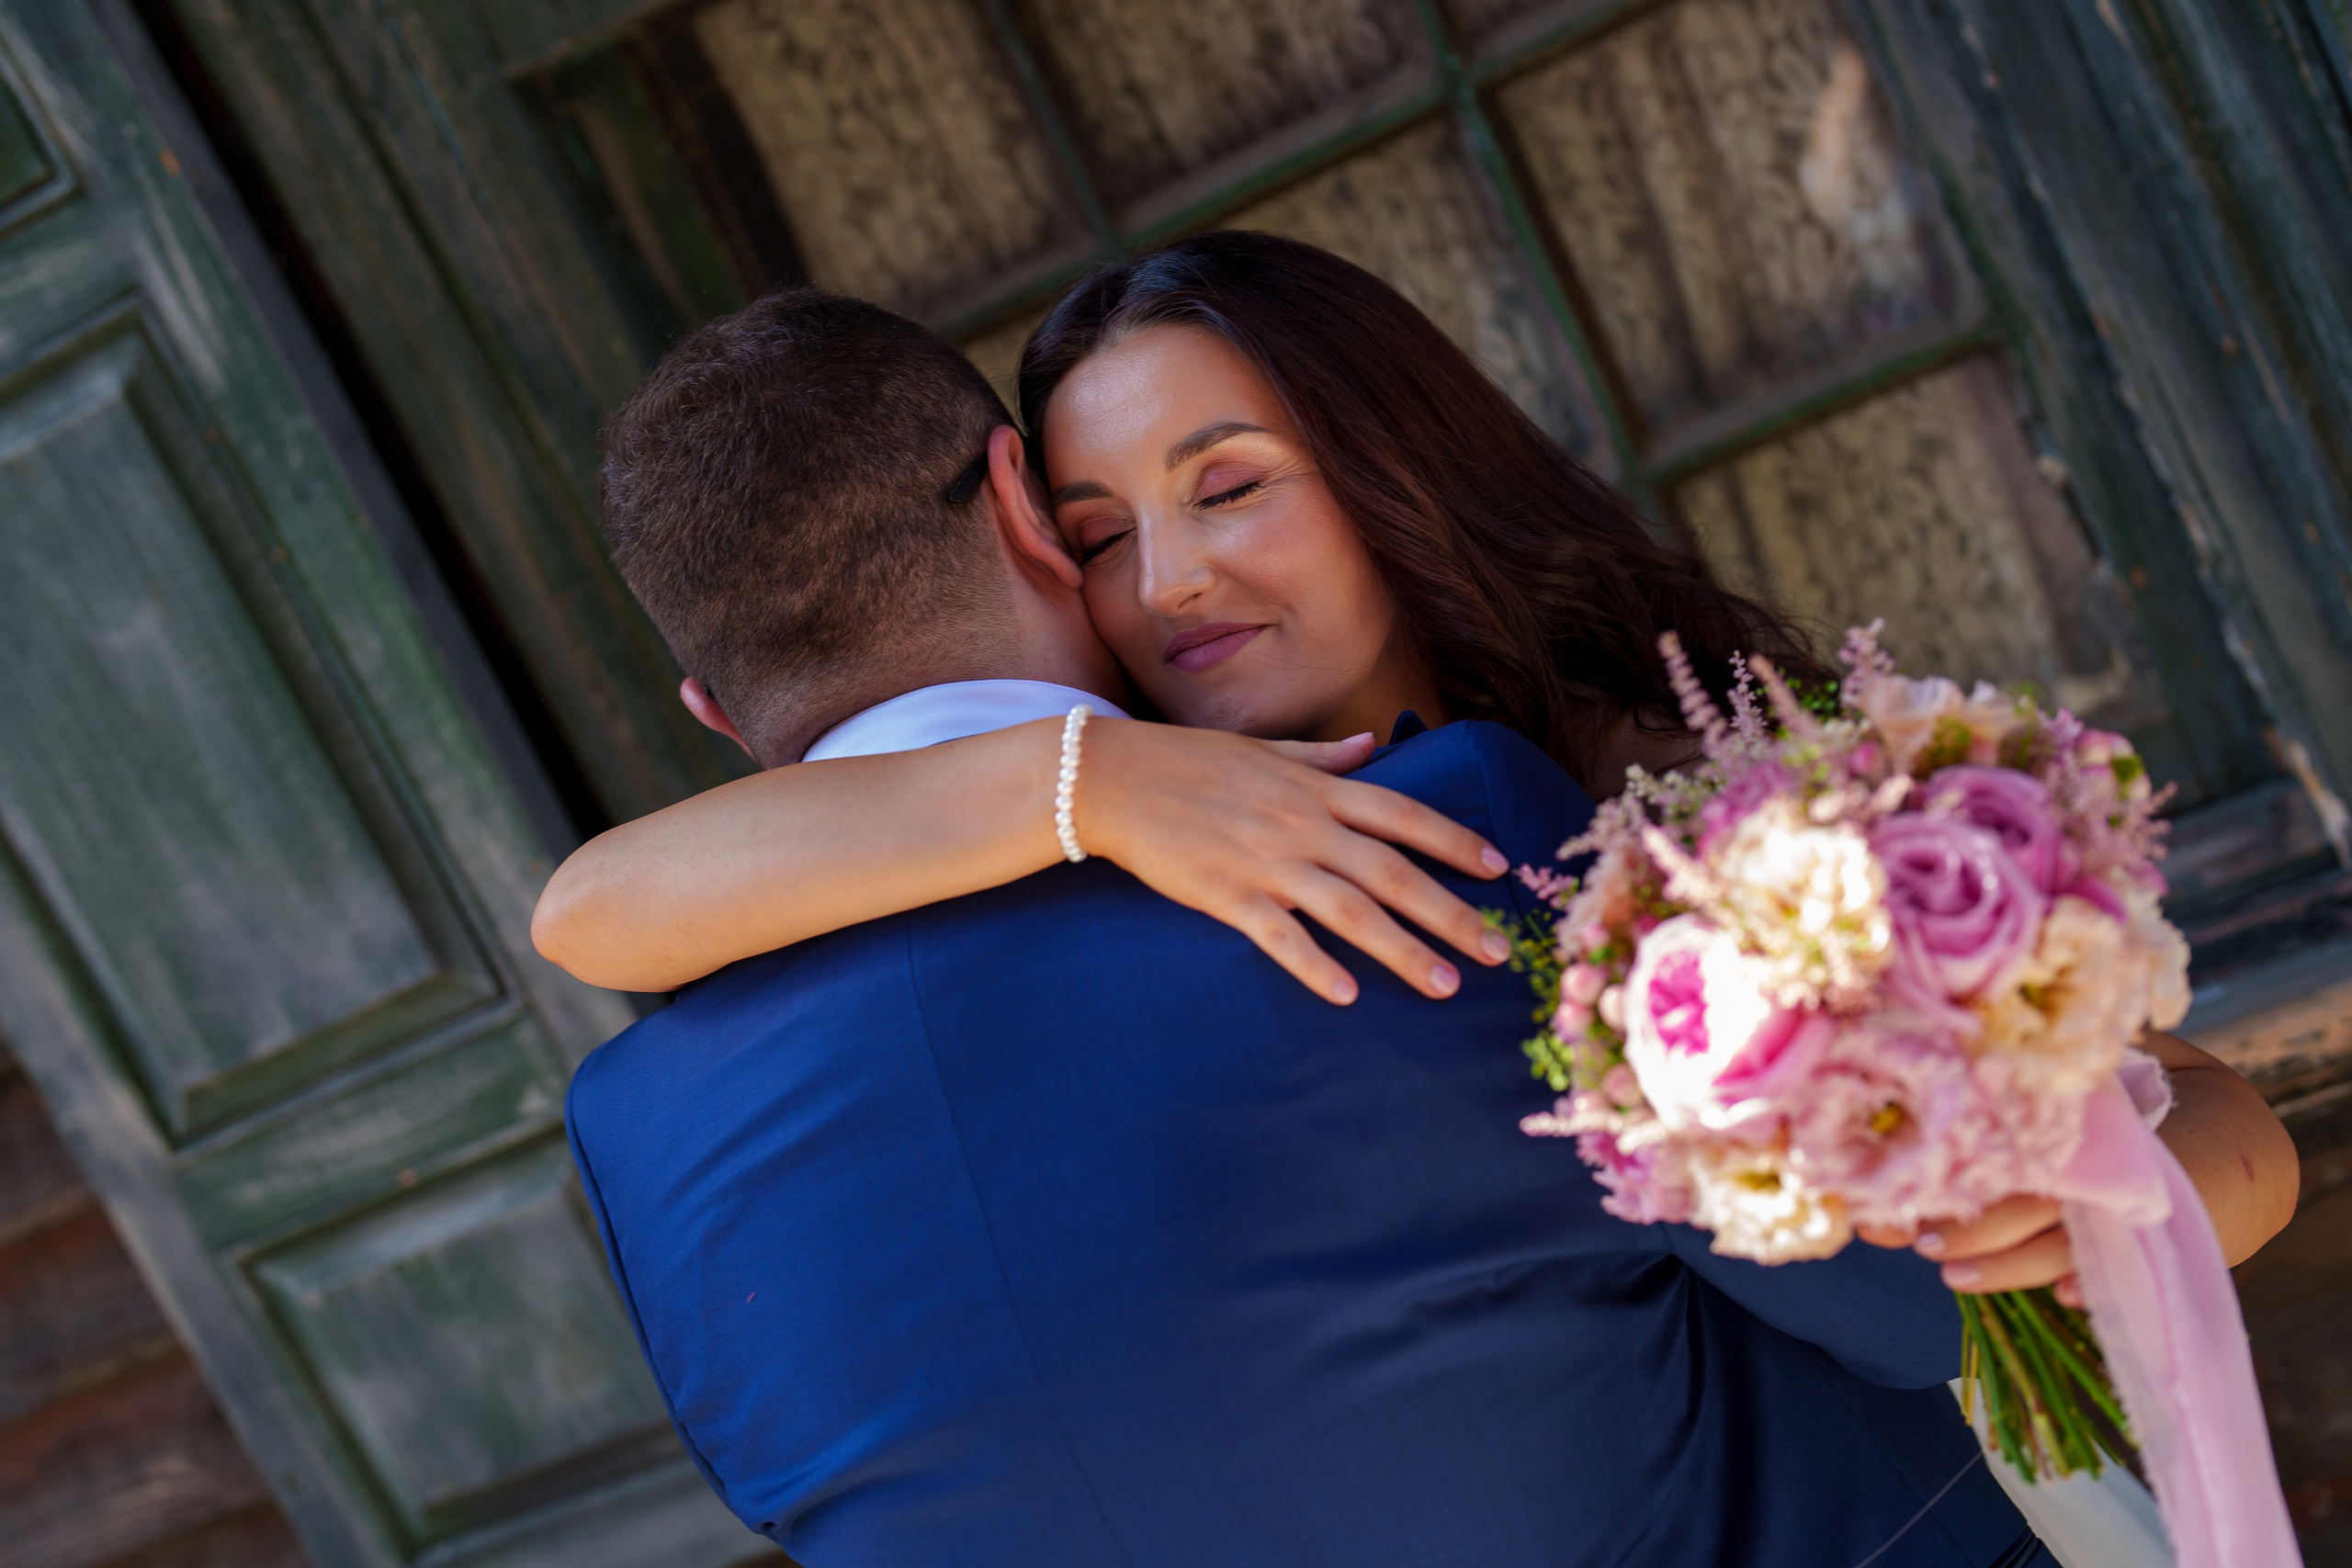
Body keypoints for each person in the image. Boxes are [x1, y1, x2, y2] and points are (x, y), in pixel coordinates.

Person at [558, 243, 2294, 1564]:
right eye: (1099, 534)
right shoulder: (1360, 840)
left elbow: (2109, 1171)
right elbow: (587, 905)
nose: (1170, 582)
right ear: (1025, 515)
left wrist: (2101, 1186)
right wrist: (1079, 782)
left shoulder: (638, 1130)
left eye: (1230, 484)